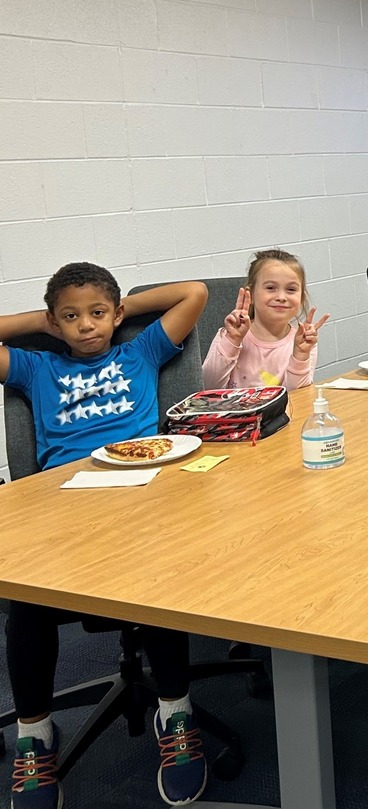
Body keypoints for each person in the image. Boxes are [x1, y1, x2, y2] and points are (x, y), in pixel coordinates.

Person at [0, 263, 209, 808]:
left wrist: (121, 311)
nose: (86, 326)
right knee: (27, 600)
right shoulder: (34, 366)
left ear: (116, 315)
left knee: (156, 582)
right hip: (62, 504)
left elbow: (195, 292)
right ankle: (35, 734)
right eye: (71, 317)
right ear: (53, 322)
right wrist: (41, 326)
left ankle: (176, 711)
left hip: (140, 493)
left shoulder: (138, 352)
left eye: (98, 314)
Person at [203, 248, 328, 390]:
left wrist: (300, 354)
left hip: (283, 412)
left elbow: (297, 398)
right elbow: (208, 387)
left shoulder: (303, 342)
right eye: (271, 288)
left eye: (291, 290)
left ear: (301, 299)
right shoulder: (228, 336)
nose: (281, 297)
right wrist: (232, 341)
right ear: (251, 294)